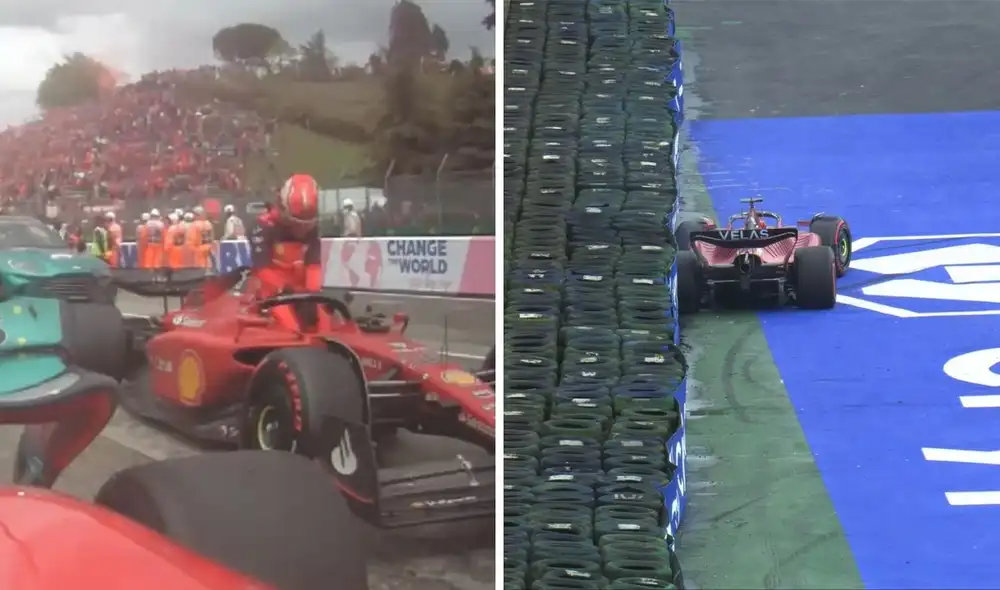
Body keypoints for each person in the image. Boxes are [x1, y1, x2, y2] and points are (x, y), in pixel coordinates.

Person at [249, 173, 331, 333]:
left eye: (308, 224)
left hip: (301, 290)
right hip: (272, 291)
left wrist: (313, 295)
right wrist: (286, 290)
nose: (303, 228)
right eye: (298, 223)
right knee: (291, 329)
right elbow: (262, 269)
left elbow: (313, 265)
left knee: (325, 326)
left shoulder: (313, 229)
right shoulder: (262, 226)